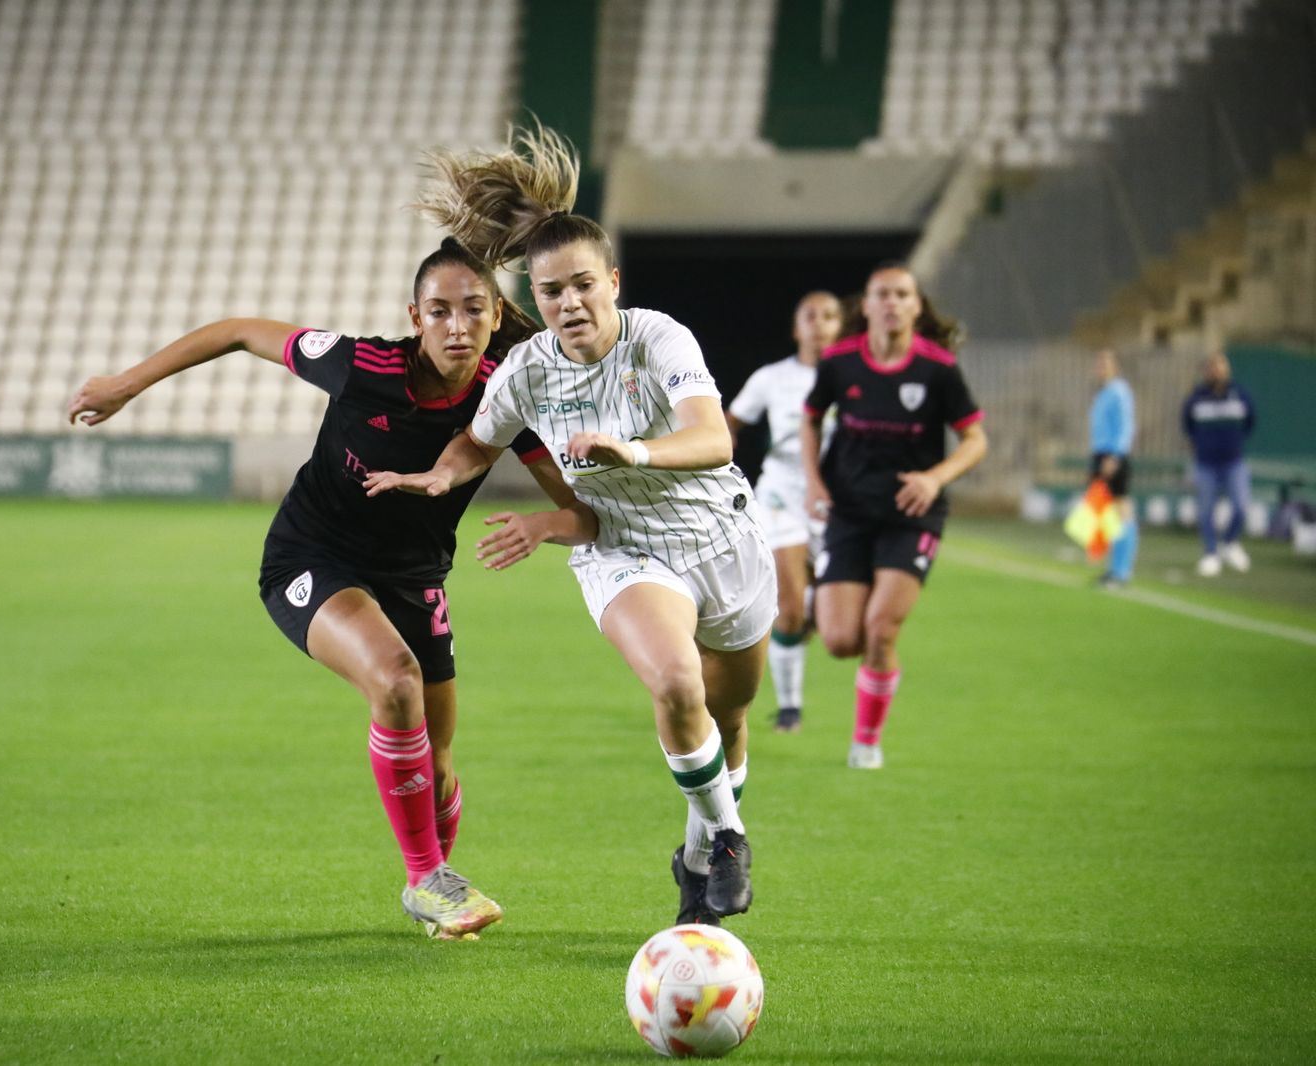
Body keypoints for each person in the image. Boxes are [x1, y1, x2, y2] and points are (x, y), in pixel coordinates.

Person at [65, 239, 597, 940]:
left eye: (474, 310)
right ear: (415, 317)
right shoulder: (363, 365)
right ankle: (426, 879)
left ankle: (438, 888)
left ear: (498, 316)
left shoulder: (508, 395)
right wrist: (128, 383)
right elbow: (238, 331)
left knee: (437, 769)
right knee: (396, 680)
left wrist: (544, 525)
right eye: (439, 311)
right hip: (311, 559)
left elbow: (583, 514)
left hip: (414, 578)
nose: (457, 327)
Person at [364, 125, 774, 929]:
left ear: (612, 282)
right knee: (676, 682)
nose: (569, 303)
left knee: (727, 716)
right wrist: (441, 475)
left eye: (584, 285)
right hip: (624, 548)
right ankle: (729, 838)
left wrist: (632, 449)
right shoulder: (526, 371)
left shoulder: (659, 337)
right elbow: (478, 440)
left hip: (722, 539)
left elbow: (714, 439)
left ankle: (698, 854)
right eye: (551, 292)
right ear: (536, 299)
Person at [800, 265, 987, 770]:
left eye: (902, 294)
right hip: (849, 511)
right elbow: (810, 419)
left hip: (912, 515)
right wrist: (814, 482)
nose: (891, 303)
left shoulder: (938, 368)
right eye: (881, 294)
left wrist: (935, 478)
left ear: (916, 306)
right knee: (842, 641)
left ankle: (866, 741)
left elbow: (975, 440)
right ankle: (822, 594)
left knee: (881, 629)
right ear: (867, 306)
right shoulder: (840, 362)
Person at [725, 291, 844, 733]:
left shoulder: (855, 379)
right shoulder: (772, 379)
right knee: (789, 609)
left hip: (839, 504)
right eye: (810, 316)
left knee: (836, 623)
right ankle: (790, 708)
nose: (819, 324)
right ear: (797, 329)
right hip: (781, 497)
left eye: (829, 316)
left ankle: (813, 604)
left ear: (841, 327)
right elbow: (730, 421)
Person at [1183, 350, 1256, 576]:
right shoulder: (1197, 397)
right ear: (1206, 371)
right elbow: (1187, 425)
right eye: (1212, 366)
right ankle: (1211, 553)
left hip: (1234, 462)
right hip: (1206, 464)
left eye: (1221, 366)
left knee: (1241, 506)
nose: (1217, 370)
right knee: (1206, 511)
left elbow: (1250, 421)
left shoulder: (1239, 394)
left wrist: (1232, 443)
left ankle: (1230, 543)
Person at [1089, 349, 1138, 588]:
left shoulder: (1119, 391)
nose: (1101, 367)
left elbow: (1125, 426)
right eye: (1099, 362)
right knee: (1108, 514)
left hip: (1113, 455)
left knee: (1122, 509)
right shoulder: (1103, 392)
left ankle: (1122, 571)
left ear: (1115, 366)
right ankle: (1113, 568)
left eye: (1106, 363)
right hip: (1101, 454)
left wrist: (1115, 457)